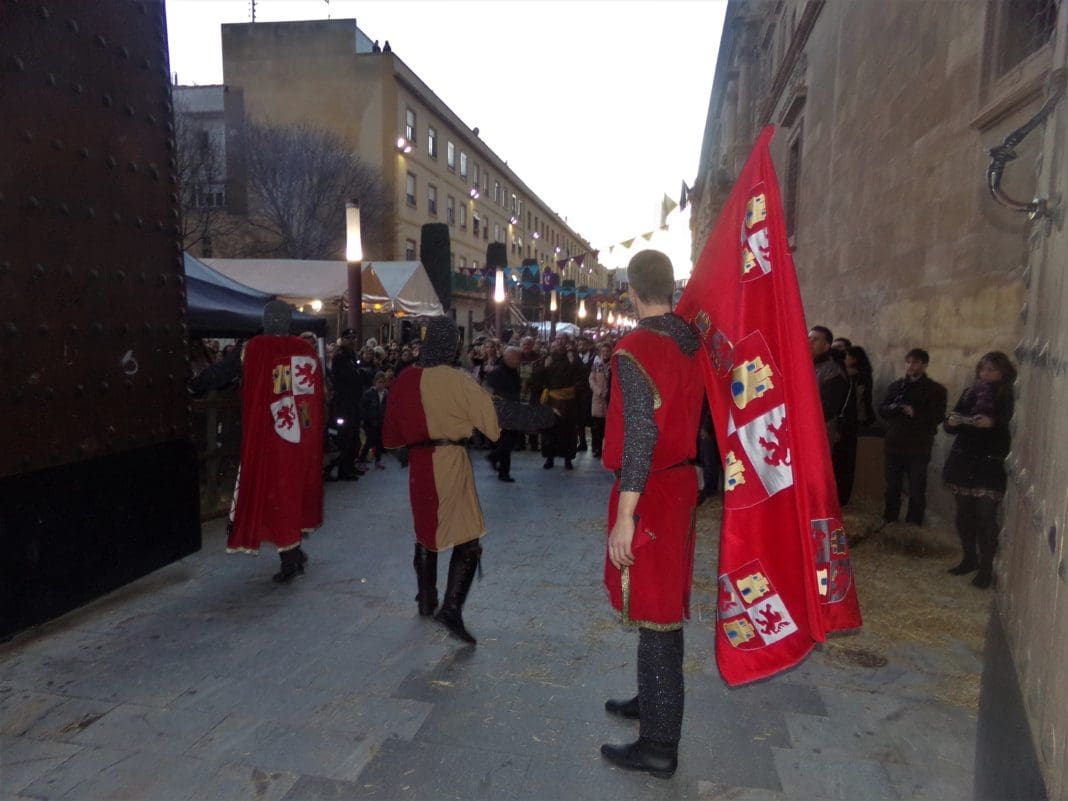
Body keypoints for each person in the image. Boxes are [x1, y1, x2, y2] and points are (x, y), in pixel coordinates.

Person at [600, 250, 704, 780]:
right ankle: (652, 698)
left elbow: (641, 434)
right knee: (657, 605)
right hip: (681, 483)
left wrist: (625, 515)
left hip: (655, 492)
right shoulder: (691, 341)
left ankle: (660, 745)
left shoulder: (636, 347)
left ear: (633, 292)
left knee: (659, 616)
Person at [382, 317, 502, 645]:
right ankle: (449, 609)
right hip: (449, 462)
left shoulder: (405, 379)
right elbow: (491, 422)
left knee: (426, 533)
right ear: (453, 346)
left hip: (420, 465)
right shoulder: (457, 380)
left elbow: (391, 433)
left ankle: (426, 599)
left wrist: (407, 448)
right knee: (468, 539)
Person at [226, 301, 323, 582]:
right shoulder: (305, 349)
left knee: (278, 497)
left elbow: (232, 373)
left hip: (271, 437)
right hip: (300, 440)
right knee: (292, 495)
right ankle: (294, 552)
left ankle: (291, 559)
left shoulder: (256, 348)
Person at [942, 351, 1017, 589]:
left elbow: (1012, 428)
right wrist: (952, 421)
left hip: (989, 463)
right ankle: (969, 558)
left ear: (1003, 372)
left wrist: (993, 424)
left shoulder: (1008, 396)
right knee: (964, 513)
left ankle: (987, 568)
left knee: (986, 516)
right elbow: (951, 423)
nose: (985, 374)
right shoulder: (970, 393)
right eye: (982, 369)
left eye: (991, 370)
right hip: (964, 460)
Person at [878, 348, 948, 526]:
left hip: (918, 446)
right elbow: (882, 410)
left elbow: (937, 416)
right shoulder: (896, 386)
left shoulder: (935, 390)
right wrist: (894, 408)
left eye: (915, 362)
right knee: (892, 487)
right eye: (908, 362)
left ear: (924, 365)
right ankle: (890, 520)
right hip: (894, 443)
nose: (910, 366)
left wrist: (915, 412)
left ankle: (913, 526)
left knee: (917, 488)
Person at [808, 325, 856, 504]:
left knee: (815, 476)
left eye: (815, 339)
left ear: (827, 346)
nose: (809, 341)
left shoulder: (832, 372)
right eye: (808, 337)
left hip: (817, 433)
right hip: (797, 432)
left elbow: (828, 408)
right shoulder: (802, 366)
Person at [328, 328, 367, 481]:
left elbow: (358, 375)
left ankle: (351, 465)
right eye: (349, 338)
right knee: (345, 437)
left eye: (353, 338)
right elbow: (349, 377)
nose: (352, 341)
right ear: (342, 340)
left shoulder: (352, 355)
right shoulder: (340, 357)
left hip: (354, 402)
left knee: (354, 437)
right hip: (344, 403)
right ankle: (344, 469)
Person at [537, 341, 582, 469]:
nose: (557, 348)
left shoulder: (571, 359)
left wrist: (573, 362)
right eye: (554, 346)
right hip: (551, 399)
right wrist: (544, 367)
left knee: (568, 431)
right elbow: (536, 378)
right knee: (550, 431)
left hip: (568, 401)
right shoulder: (547, 360)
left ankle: (568, 459)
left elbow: (582, 374)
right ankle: (549, 458)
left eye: (559, 346)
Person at [484, 346, 522, 482]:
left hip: (512, 409)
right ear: (509, 358)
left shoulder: (512, 372)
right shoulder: (497, 372)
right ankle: (502, 470)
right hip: (502, 411)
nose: (518, 361)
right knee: (507, 441)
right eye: (516, 358)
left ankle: (495, 458)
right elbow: (488, 390)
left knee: (509, 440)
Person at [358, 371, 388, 469]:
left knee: (379, 442)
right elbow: (363, 407)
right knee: (369, 441)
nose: (381, 384)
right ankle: (361, 460)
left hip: (380, 421)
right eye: (379, 382)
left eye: (383, 382)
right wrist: (365, 419)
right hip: (370, 422)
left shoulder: (386, 394)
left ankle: (378, 460)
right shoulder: (369, 394)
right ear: (375, 382)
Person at [588, 341, 612, 459]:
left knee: (608, 428)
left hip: (609, 399)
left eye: (608, 351)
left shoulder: (614, 365)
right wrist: (598, 391)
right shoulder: (596, 365)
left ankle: (607, 449)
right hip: (598, 399)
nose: (606, 353)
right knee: (596, 427)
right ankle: (596, 448)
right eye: (604, 351)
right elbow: (591, 380)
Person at [844, 346, 876, 429]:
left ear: (854, 359)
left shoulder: (857, 375)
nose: (844, 359)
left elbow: (860, 397)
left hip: (856, 416)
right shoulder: (864, 374)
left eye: (846, 356)